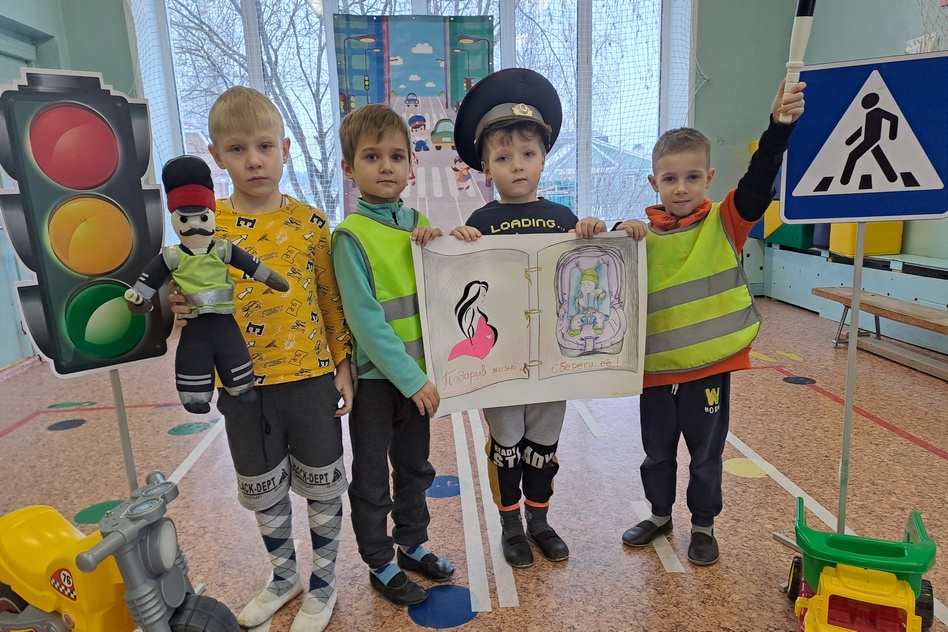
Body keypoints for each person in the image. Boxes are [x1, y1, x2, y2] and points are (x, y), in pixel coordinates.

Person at [168, 86, 352, 631]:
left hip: (311, 378)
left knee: (323, 487)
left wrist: (343, 365)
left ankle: (324, 581)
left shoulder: (311, 224)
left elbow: (329, 299)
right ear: (217, 157)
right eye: (237, 149)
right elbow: (180, 293)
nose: (253, 160)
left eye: (264, 146)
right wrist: (176, 303)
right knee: (263, 486)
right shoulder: (207, 228)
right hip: (241, 385)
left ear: (285, 148)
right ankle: (283, 576)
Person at [449, 68, 645, 569]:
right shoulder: (479, 222)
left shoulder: (563, 218)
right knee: (506, 447)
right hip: (500, 362)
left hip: (554, 359)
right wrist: (458, 244)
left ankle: (540, 520)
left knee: (542, 446)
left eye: (527, 154)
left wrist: (605, 229)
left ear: (543, 157)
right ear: (485, 168)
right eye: (503, 158)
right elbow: (462, 283)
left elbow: (593, 263)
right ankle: (510, 525)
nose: (517, 165)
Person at [615, 80, 806, 566]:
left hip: (708, 369)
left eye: (692, 177)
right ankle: (659, 516)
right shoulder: (638, 236)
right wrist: (615, 229)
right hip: (655, 371)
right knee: (657, 454)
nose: (681, 187)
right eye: (670, 178)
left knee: (705, 458)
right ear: (654, 182)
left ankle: (703, 525)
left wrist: (778, 128)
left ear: (709, 178)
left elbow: (761, 176)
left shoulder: (726, 221)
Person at [331, 103, 454, 606]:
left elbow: (439, 289)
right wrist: (411, 378)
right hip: (380, 382)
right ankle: (379, 562)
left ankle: (411, 544)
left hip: (416, 379)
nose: (386, 166)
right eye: (372, 156)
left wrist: (444, 243)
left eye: (396, 156)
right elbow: (365, 321)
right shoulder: (350, 236)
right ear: (349, 168)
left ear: (411, 164)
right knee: (371, 478)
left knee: (415, 468)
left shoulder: (418, 223)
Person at [448, 280, 497, 361]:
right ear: (475, 294)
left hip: (482, 342)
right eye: (482, 295)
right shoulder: (470, 311)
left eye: (484, 295)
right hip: (477, 344)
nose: (483, 298)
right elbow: (468, 329)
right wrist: (474, 345)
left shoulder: (476, 309)